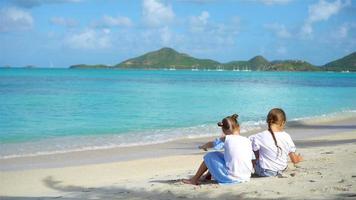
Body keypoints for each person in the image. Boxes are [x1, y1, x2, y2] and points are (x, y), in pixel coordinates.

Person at [183, 114, 254, 185]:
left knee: (209, 156)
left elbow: (212, 144)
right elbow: (252, 158)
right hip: (246, 176)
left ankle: (194, 180)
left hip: (232, 177)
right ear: (238, 127)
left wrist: (203, 146)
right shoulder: (247, 140)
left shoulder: (227, 138)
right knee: (218, 155)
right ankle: (208, 176)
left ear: (223, 130)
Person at [249, 108, 303, 177]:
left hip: (266, 172)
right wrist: (299, 158)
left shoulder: (259, 136)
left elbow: (247, 144)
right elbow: (295, 160)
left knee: (254, 148)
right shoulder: (287, 136)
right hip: (282, 169)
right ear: (283, 122)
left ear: (267, 121)